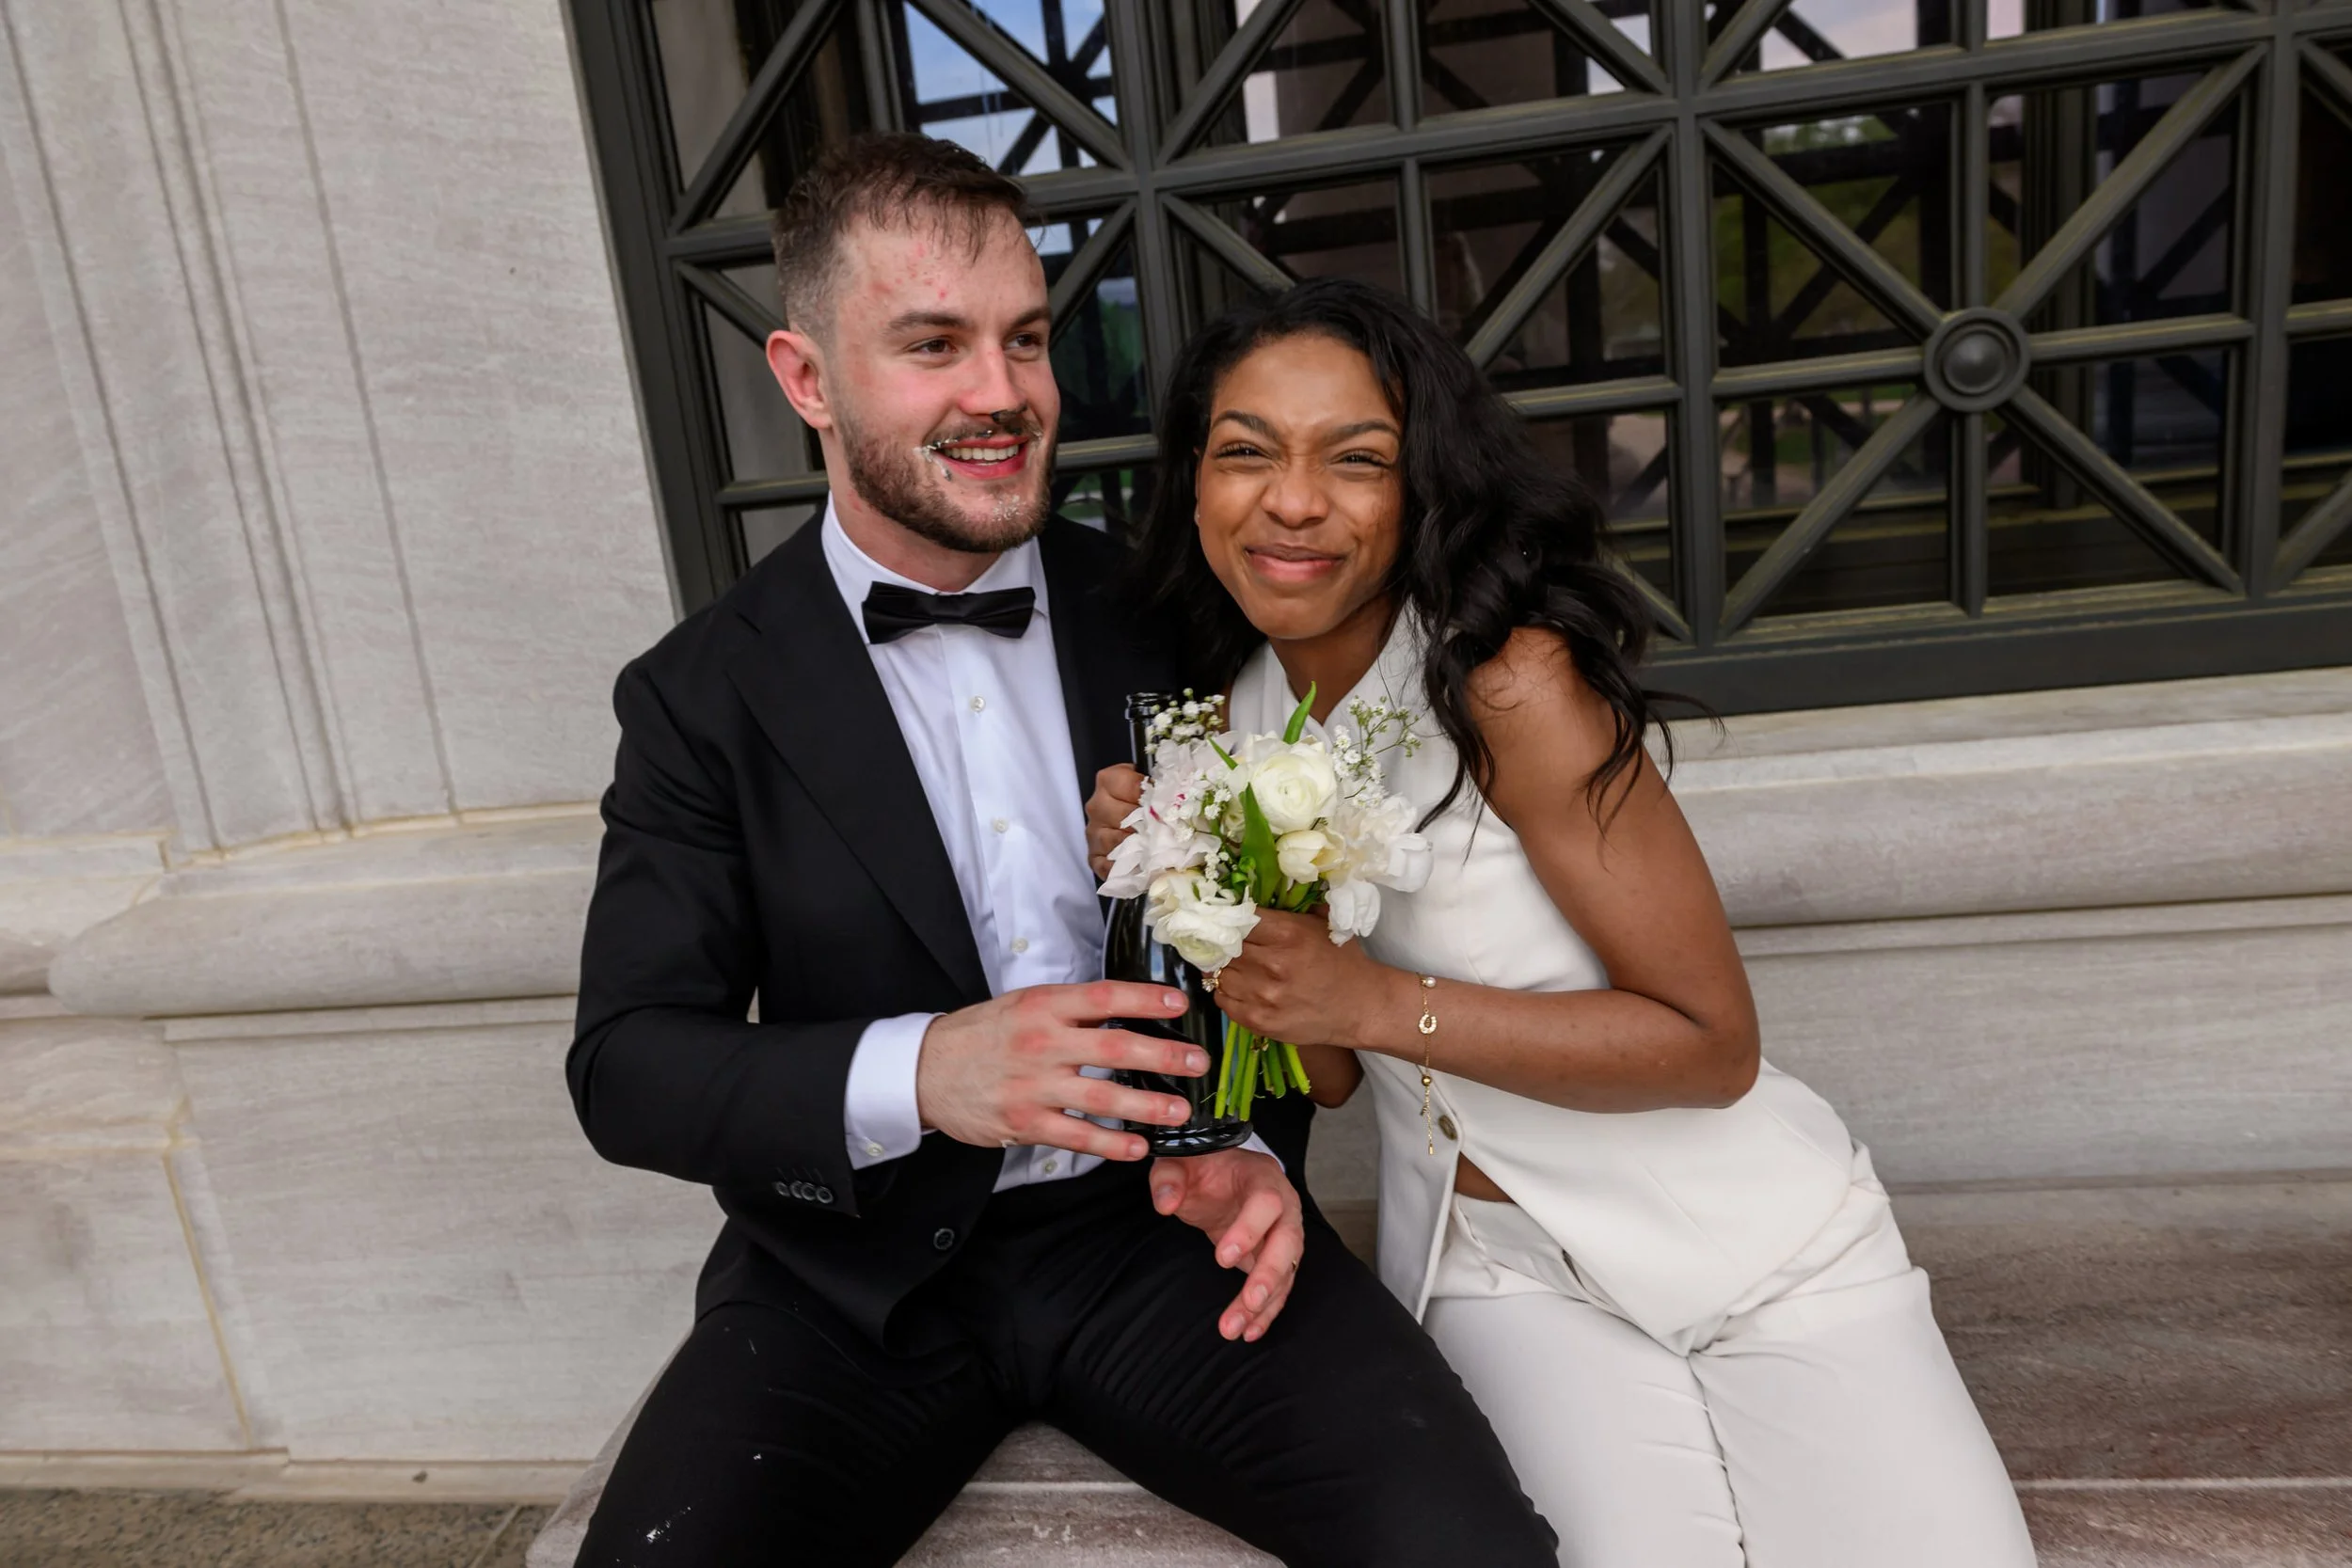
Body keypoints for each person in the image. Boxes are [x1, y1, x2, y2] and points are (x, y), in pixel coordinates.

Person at [564, 135, 1555, 1566]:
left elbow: (1275, 913)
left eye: (1026, 339)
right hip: (850, 1286)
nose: (1003, 393)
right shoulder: (697, 693)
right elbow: (627, 1064)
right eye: (933, 344)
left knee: (1472, 1552)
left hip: (1167, 1232)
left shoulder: (1182, 607)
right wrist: (927, 1069)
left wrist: (1250, 1143)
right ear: (805, 380)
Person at [1087, 277, 2039, 1568]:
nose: (1292, 500)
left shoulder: (1509, 680)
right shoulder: (1237, 713)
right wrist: (1193, 887)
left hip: (1751, 1240)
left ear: (1420, 488)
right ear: (1193, 484)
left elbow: (1711, 1043)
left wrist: (1370, 995)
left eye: (1354, 460)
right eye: (1245, 451)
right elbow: (1328, 1065)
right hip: (1490, 1266)